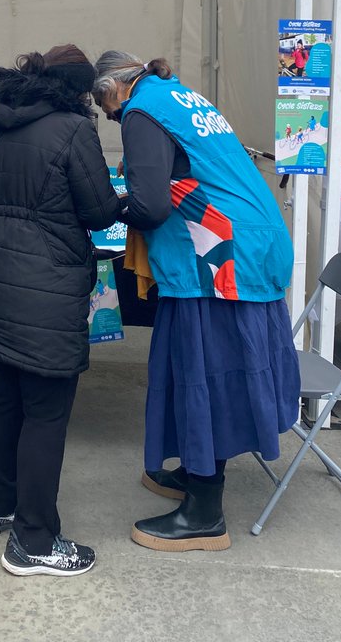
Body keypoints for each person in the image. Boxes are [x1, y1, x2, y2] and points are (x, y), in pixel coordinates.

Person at [92, 50, 300, 552]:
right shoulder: (177, 95)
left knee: (207, 374)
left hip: (221, 257)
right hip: (252, 240)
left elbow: (150, 205)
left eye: (104, 107)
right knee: (204, 368)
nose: (108, 117)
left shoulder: (141, 112)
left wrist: (104, 208)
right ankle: (195, 469)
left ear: (114, 88)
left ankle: (205, 514)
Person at [0, 45, 120, 577]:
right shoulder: (74, 130)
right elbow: (99, 213)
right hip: (45, 288)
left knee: (4, 394)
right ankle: (33, 540)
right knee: (46, 412)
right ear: (77, 90)